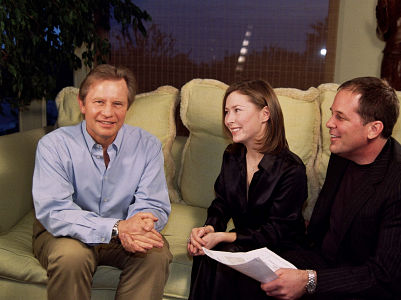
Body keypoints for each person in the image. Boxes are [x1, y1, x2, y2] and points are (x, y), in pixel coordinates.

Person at [261, 77, 401, 299]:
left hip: (380, 287)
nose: (329, 123)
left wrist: (309, 281)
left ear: (373, 129)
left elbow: (386, 277)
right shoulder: (343, 153)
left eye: (340, 117)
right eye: (332, 113)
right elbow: (324, 227)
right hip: (332, 263)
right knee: (252, 275)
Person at [32, 64, 172, 300]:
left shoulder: (147, 145)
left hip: (124, 234)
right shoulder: (53, 146)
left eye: (117, 104)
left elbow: (153, 202)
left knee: (155, 253)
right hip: (65, 234)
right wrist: (117, 227)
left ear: (128, 107)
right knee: (71, 258)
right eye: (99, 102)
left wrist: (140, 226)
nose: (108, 112)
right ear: (82, 104)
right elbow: (55, 211)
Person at [187, 79, 308, 300]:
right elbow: (221, 204)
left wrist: (226, 237)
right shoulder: (232, 156)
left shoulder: (292, 169)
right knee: (207, 253)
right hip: (242, 245)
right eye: (226, 111)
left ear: (265, 114)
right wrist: (209, 230)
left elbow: (276, 232)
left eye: (237, 110)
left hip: (279, 250)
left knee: (227, 257)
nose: (229, 120)